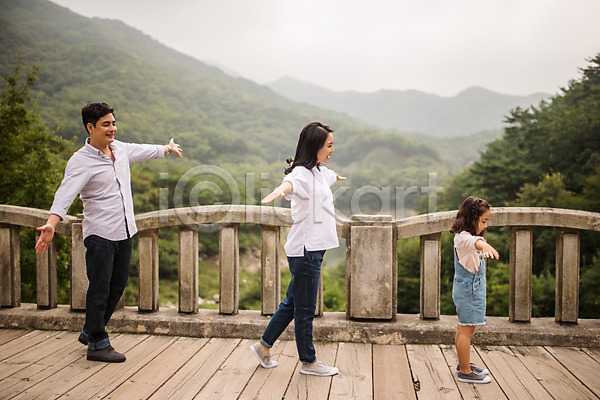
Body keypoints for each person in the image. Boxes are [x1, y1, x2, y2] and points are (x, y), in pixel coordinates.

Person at [35, 102, 183, 363]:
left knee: (117, 287)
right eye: (106, 124)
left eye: (114, 123)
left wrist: (166, 148)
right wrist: (51, 223)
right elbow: (65, 194)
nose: (112, 128)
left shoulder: (119, 149)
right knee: (100, 289)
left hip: (124, 231)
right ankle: (97, 344)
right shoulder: (81, 161)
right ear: (90, 127)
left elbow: (142, 150)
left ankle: (90, 330)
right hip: (100, 234)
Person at [251, 122, 345, 376]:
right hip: (306, 251)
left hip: (312, 250)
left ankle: (263, 347)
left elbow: (329, 176)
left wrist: (336, 177)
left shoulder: (319, 172)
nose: (333, 149)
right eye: (329, 145)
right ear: (315, 146)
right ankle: (309, 362)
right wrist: (279, 191)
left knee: (292, 303)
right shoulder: (301, 174)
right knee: (304, 310)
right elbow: (289, 184)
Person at [449, 196, 499, 384]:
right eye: (483, 221)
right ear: (472, 218)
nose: (485, 226)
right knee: (466, 330)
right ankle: (465, 371)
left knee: (463, 328)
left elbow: (474, 240)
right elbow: (475, 242)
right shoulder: (463, 238)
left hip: (469, 289)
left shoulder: (466, 236)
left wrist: (482, 243)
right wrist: (485, 245)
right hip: (468, 290)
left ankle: (463, 364)